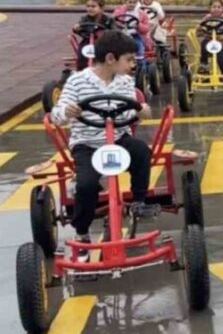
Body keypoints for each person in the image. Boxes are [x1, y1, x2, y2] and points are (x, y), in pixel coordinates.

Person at [50, 30, 155, 262]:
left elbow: (128, 115)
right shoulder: (77, 81)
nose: (133, 65)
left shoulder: (125, 82)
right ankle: (82, 232)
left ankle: (138, 201)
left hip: (117, 137)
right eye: (129, 59)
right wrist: (67, 111)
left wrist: (140, 112)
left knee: (141, 151)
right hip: (87, 143)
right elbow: (57, 116)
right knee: (86, 185)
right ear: (110, 59)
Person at [72, 0, 115, 70]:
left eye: (93, 6)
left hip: (103, 42)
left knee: (109, 53)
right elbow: (78, 29)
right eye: (88, 6)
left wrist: (106, 33)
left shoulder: (108, 20)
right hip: (88, 41)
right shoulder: (84, 19)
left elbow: (114, 31)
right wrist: (77, 28)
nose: (90, 9)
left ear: (101, 8)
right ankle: (82, 69)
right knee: (82, 53)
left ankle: (106, 69)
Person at [197, 0, 223, 75]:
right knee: (204, 43)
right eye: (214, 7)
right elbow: (199, 30)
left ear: (222, 8)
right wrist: (199, 28)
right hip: (209, 41)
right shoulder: (207, 18)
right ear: (210, 8)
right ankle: (204, 65)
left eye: (219, 7)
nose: (216, 9)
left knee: (221, 60)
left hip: (222, 43)